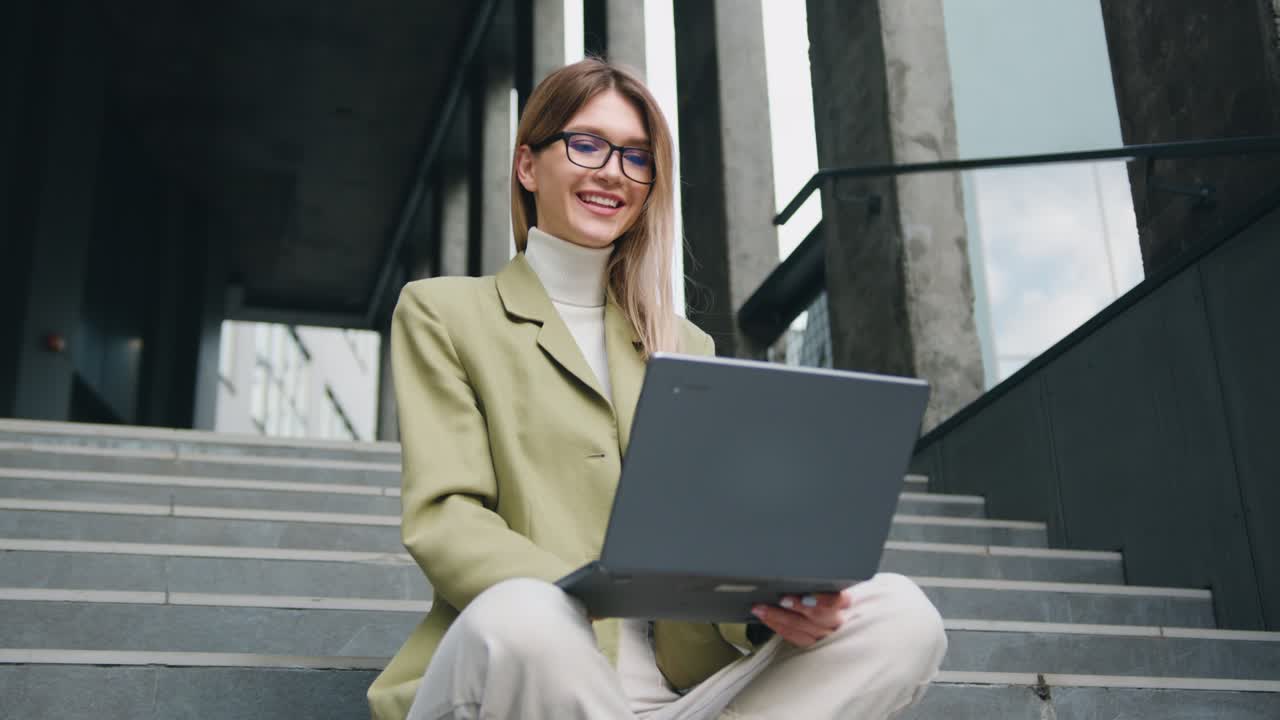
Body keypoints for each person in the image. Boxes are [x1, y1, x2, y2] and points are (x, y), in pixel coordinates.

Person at [366, 58, 947, 720]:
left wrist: (770, 612)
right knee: (527, 611)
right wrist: (578, 594)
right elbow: (445, 519)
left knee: (902, 615)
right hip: (517, 681)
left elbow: (716, 542)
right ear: (528, 166)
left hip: (676, 697)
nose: (613, 171)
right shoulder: (444, 311)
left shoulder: (684, 345)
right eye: (586, 144)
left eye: (637, 158)